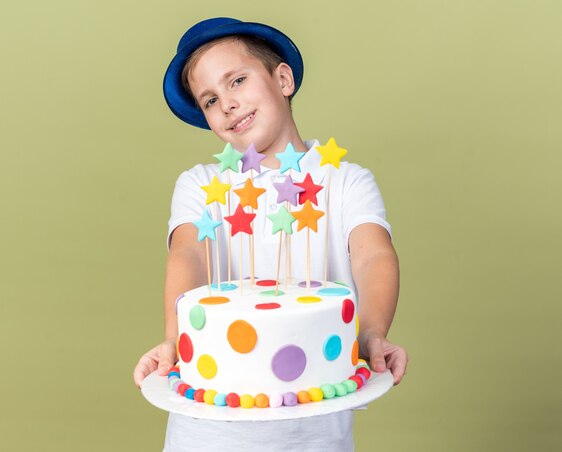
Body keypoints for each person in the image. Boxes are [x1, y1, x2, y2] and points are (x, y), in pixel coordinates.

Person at [133, 17, 408, 451]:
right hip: (207, 433)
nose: (227, 104)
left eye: (237, 80)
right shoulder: (202, 185)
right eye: (210, 99)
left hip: (315, 434)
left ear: (283, 79)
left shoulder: (345, 182)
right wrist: (172, 338)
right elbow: (188, 255)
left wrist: (372, 331)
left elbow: (373, 255)